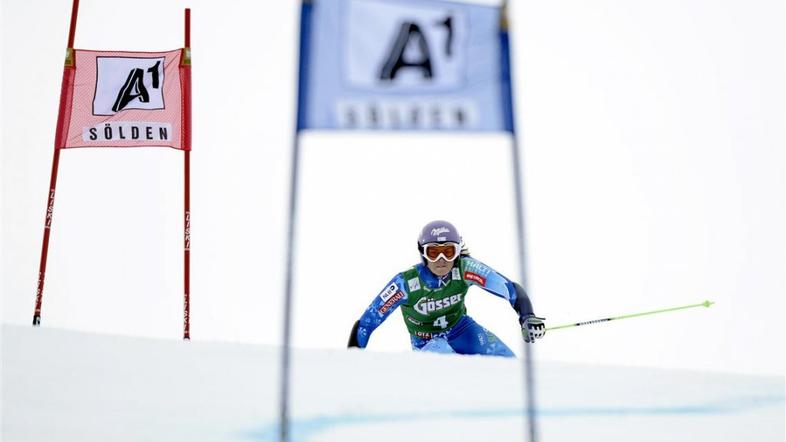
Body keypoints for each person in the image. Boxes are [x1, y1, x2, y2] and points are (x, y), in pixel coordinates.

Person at [347, 220, 545, 357]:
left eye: (448, 252)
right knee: (450, 366)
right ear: (422, 254)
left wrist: (527, 317)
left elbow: (509, 289)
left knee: (507, 362)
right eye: (433, 252)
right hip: (426, 341)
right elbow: (366, 323)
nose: (441, 260)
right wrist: (353, 362)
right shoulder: (405, 283)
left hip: (462, 330)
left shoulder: (465, 268)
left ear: (458, 252)